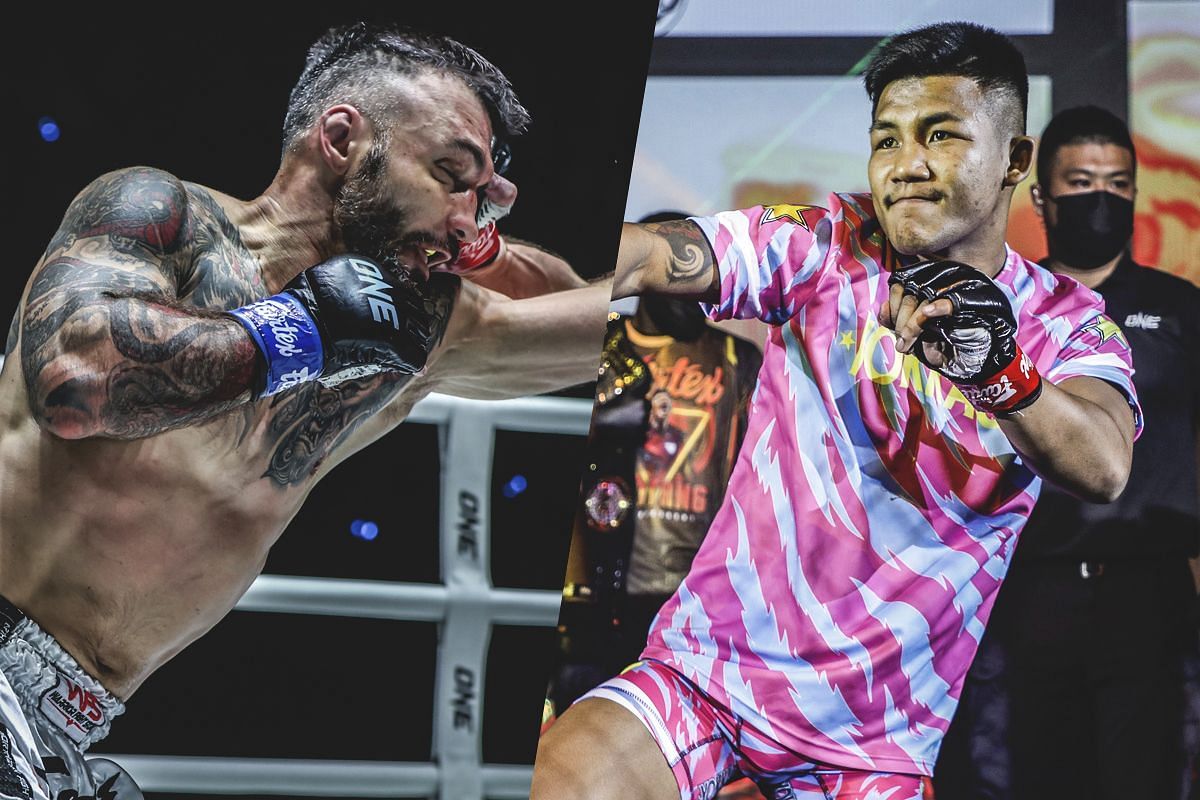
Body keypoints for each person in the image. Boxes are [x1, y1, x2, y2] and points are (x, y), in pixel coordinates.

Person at [0, 22, 611, 799]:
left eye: (480, 197)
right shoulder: (164, 216)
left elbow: (595, 319)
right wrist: (303, 330)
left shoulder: (412, 335)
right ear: (343, 138)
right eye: (449, 172)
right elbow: (76, 379)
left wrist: (481, 241)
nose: (465, 215)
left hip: (69, 734)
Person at [533, 21, 1142, 800]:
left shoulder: (1067, 323)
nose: (906, 166)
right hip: (705, 678)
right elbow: (655, 252)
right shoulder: (827, 245)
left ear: (1016, 161)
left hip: (876, 748)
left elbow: (1105, 464)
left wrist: (1000, 373)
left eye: (940, 135)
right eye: (885, 140)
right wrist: (535, 265)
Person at [932, 105, 1200, 800]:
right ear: (1042, 197)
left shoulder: (1182, 307)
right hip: (1025, 589)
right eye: (1080, 181)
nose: (1101, 197)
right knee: (1029, 778)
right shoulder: (1002, 305)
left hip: (1149, 590)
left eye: (1117, 182)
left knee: (1147, 778)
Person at [547, 210, 761, 722]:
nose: (700, 298)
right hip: (592, 589)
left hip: (694, 595)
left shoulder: (737, 358)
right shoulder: (600, 346)